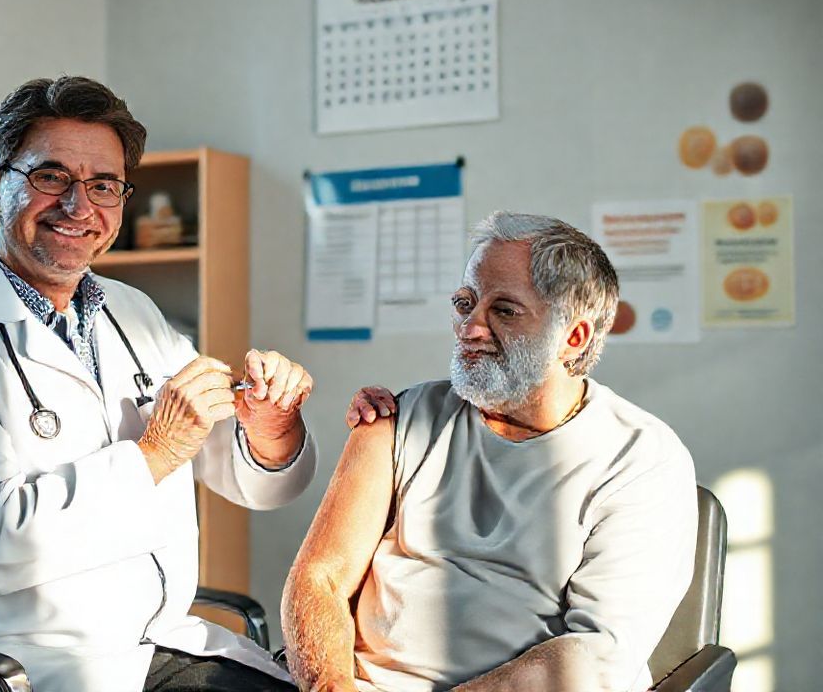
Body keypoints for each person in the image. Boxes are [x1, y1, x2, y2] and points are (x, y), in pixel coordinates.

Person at [0, 76, 314, 692]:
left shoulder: (133, 312)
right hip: (12, 666)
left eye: (103, 186)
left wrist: (272, 429)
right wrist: (157, 450)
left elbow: (245, 477)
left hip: (150, 647)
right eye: (51, 177)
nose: (79, 208)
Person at [282, 211, 697, 692]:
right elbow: (319, 578)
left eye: (504, 310)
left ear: (573, 337)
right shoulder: (400, 418)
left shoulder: (641, 459)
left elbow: (596, 656)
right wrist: (330, 687)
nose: (469, 328)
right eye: (465, 303)